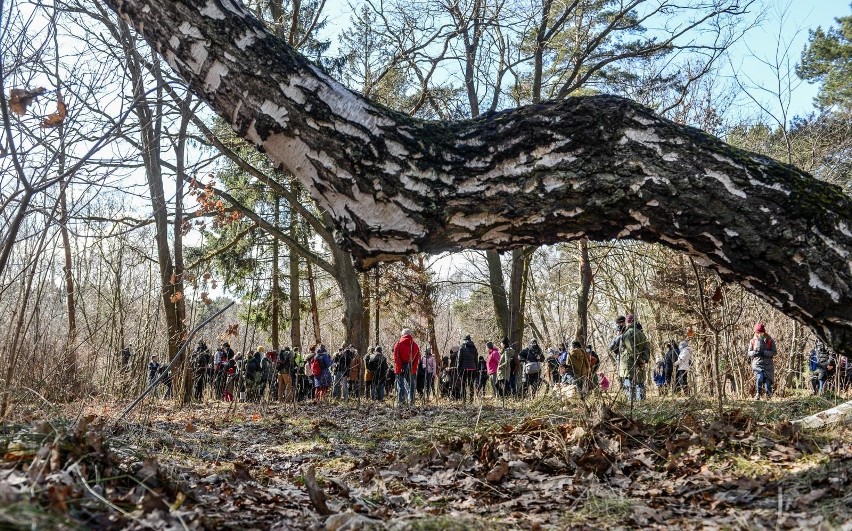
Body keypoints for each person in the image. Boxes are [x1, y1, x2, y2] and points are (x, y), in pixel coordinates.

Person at [620, 314, 650, 401]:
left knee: (630, 386)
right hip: (640, 365)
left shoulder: (627, 333)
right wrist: (644, 360)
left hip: (629, 365)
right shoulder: (642, 334)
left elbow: (631, 349)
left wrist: (640, 361)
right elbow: (647, 348)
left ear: (627, 322)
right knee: (640, 383)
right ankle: (641, 403)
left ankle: (632, 405)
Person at [748, 323, 777, 400]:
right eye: (757, 332)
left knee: (768, 382)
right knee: (759, 377)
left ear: (764, 332)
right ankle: (758, 394)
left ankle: (769, 396)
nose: (759, 334)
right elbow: (749, 352)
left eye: (760, 332)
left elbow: (774, 352)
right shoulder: (752, 341)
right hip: (757, 364)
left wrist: (764, 353)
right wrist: (754, 353)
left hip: (768, 365)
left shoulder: (770, 340)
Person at [393, 329, 419, 406]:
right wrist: (413, 368)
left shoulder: (398, 344)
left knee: (400, 386)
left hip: (400, 367)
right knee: (411, 386)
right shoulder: (415, 345)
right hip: (411, 367)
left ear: (402, 334)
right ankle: (411, 401)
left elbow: (396, 358)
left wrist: (399, 368)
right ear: (410, 335)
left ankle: (401, 402)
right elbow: (417, 359)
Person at [457, 335, 478, 403]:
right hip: (473, 368)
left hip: (464, 369)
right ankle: (471, 400)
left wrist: (458, 369)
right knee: (471, 384)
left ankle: (464, 400)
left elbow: (459, 360)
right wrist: (476, 369)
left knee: (463, 384)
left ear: (465, 340)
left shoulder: (462, 348)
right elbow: (476, 360)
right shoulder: (474, 348)